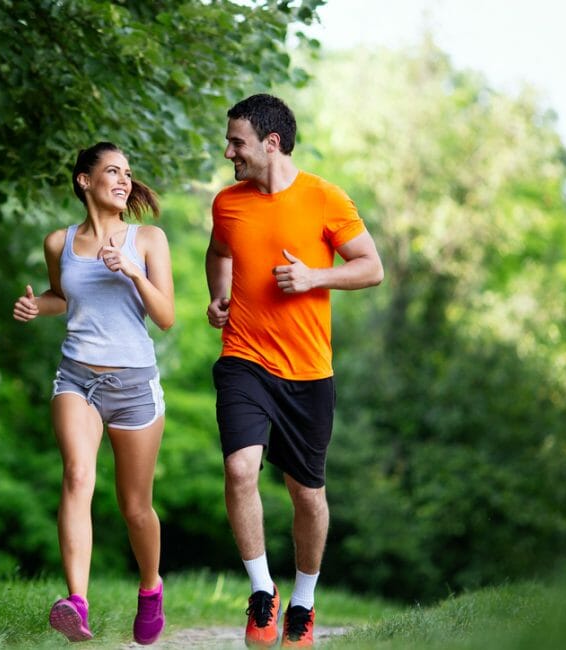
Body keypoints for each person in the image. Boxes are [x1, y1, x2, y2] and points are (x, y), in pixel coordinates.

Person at [205, 94, 384, 647]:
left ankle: (302, 601)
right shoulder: (227, 203)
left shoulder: (326, 198)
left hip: (308, 372)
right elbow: (219, 252)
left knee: (306, 494)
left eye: (237, 141)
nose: (229, 151)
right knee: (240, 470)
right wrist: (219, 295)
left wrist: (314, 279)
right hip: (245, 359)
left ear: (271, 143)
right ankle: (263, 593)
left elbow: (371, 267)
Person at [13, 142, 175, 645]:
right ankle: (75, 601)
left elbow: (166, 317)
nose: (124, 180)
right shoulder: (58, 242)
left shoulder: (147, 239)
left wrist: (130, 271)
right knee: (78, 475)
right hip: (77, 377)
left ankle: (150, 588)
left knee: (134, 508)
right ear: (85, 180)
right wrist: (38, 306)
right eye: (112, 171)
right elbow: (63, 295)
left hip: (134, 386)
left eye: (128, 172)